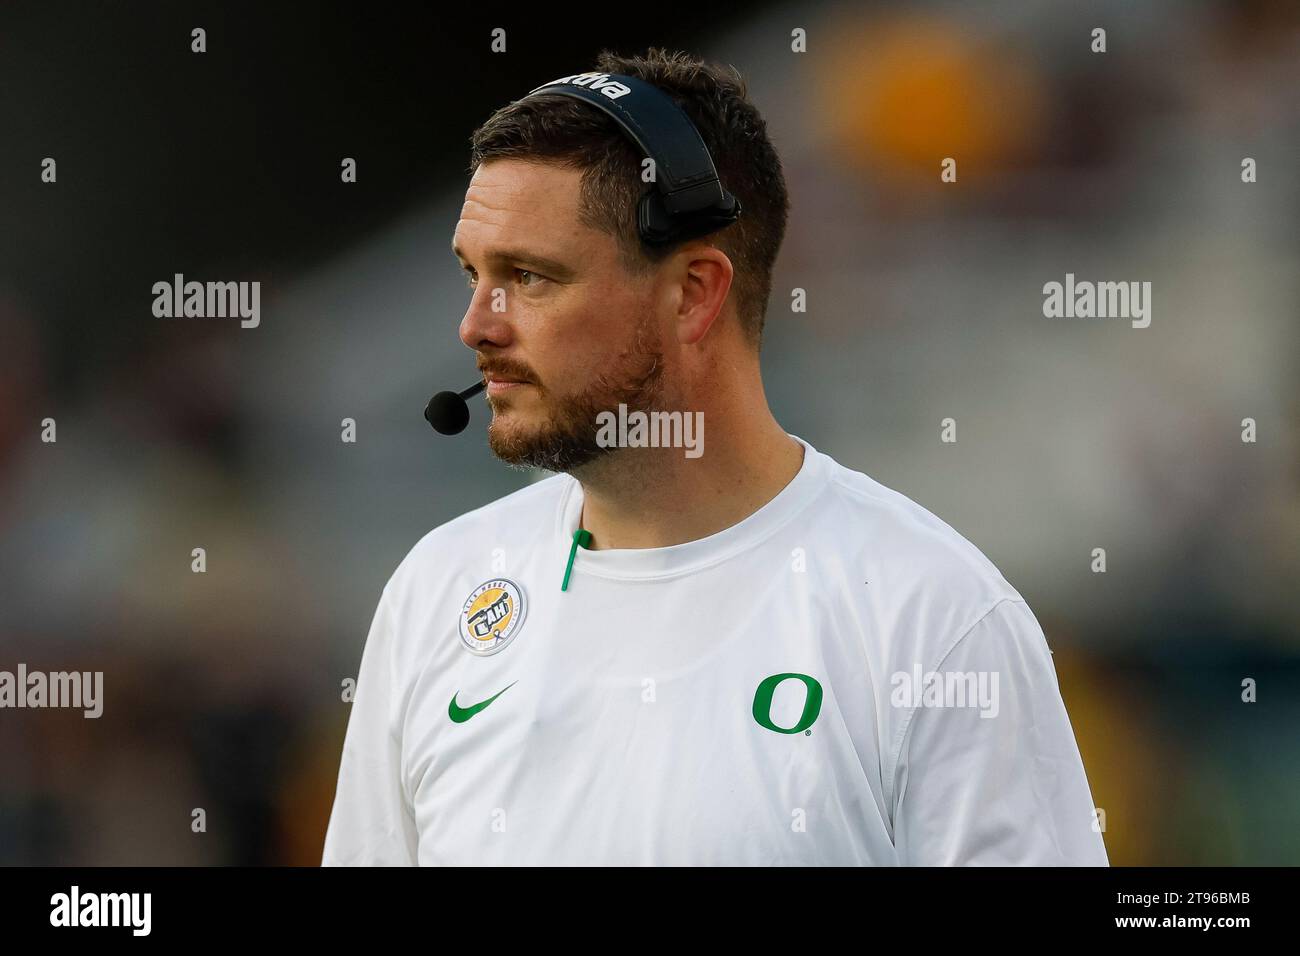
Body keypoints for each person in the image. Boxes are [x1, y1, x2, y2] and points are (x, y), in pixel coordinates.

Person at [321, 47, 1108, 866]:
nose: (476, 325)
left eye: (530, 276)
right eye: (474, 274)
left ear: (695, 293)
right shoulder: (437, 589)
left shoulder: (931, 618)